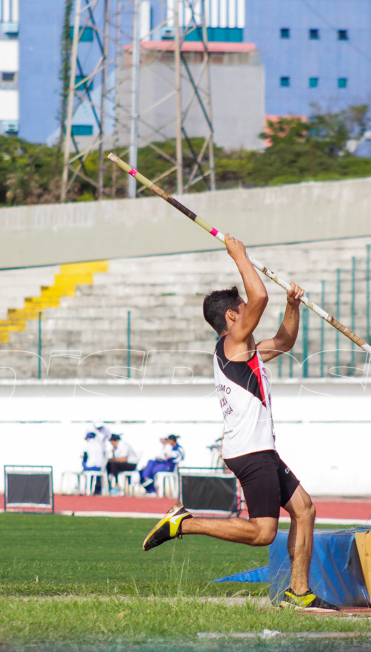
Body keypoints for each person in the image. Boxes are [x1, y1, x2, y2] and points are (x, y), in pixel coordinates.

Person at [141, 233, 338, 612]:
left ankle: (299, 592)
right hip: (251, 452)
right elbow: (258, 297)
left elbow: (283, 341)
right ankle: (183, 524)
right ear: (232, 317)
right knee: (264, 533)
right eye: (243, 308)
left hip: (258, 449)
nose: (249, 309)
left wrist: (292, 305)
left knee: (305, 509)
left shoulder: (242, 350)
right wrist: (240, 256)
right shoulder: (232, 344)